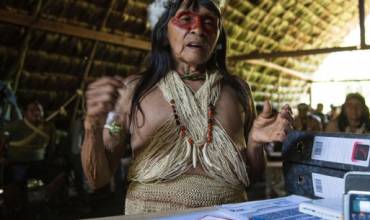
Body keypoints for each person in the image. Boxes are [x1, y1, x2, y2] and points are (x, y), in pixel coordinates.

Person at [81, 0, 294, 215]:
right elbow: (98, 178)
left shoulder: (238, 90)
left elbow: (252, 176)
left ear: (218, 38)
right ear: (164, 33)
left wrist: (255, 144)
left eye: (209, 22)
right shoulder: (132, 91)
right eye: (185, 20)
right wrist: (92, 128)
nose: (199, 29)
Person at [1, 100, 66, 216]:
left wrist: (51, 160)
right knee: (12, 186)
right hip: (16, 163)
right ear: (25, 113)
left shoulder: (49, 127)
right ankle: (15, 208)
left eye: (39, 110)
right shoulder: (13, 127)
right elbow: (1, 144)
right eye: (32, 110)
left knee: (60, 174)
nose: (36, 113)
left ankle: (45, 200)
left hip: (38, 163)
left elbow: (51, 148)